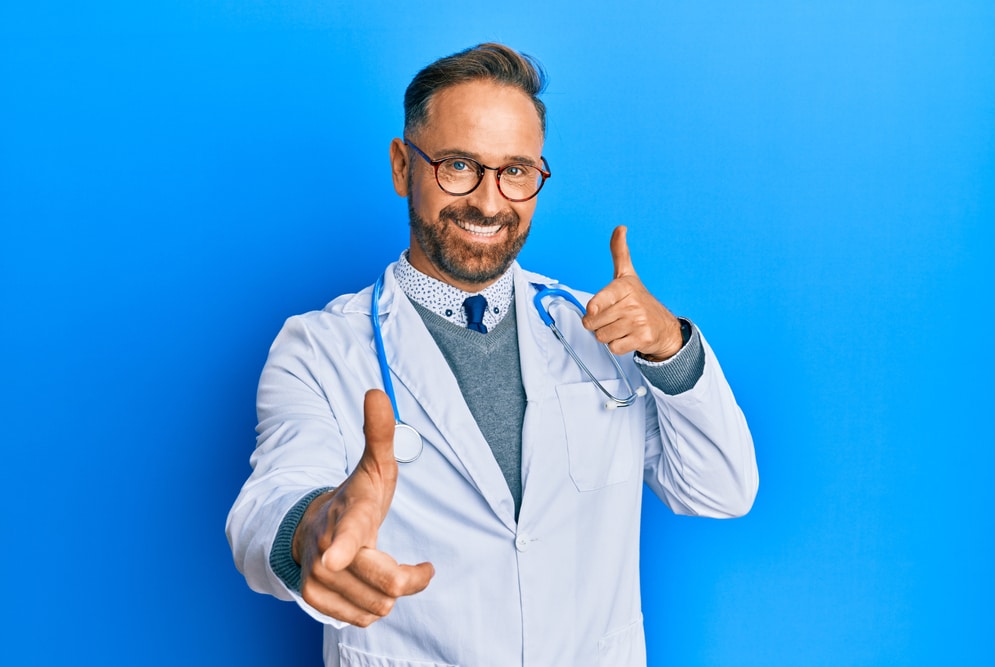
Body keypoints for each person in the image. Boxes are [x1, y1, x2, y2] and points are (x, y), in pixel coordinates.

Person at [227, 43, 758, 667]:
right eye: (458, 165)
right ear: (403, 167)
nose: (488, 201)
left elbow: (721, 491)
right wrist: (312, 533)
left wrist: (671, 349)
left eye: (516, 171)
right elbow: (268, 503)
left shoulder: (600, 332)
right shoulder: (320, 348)